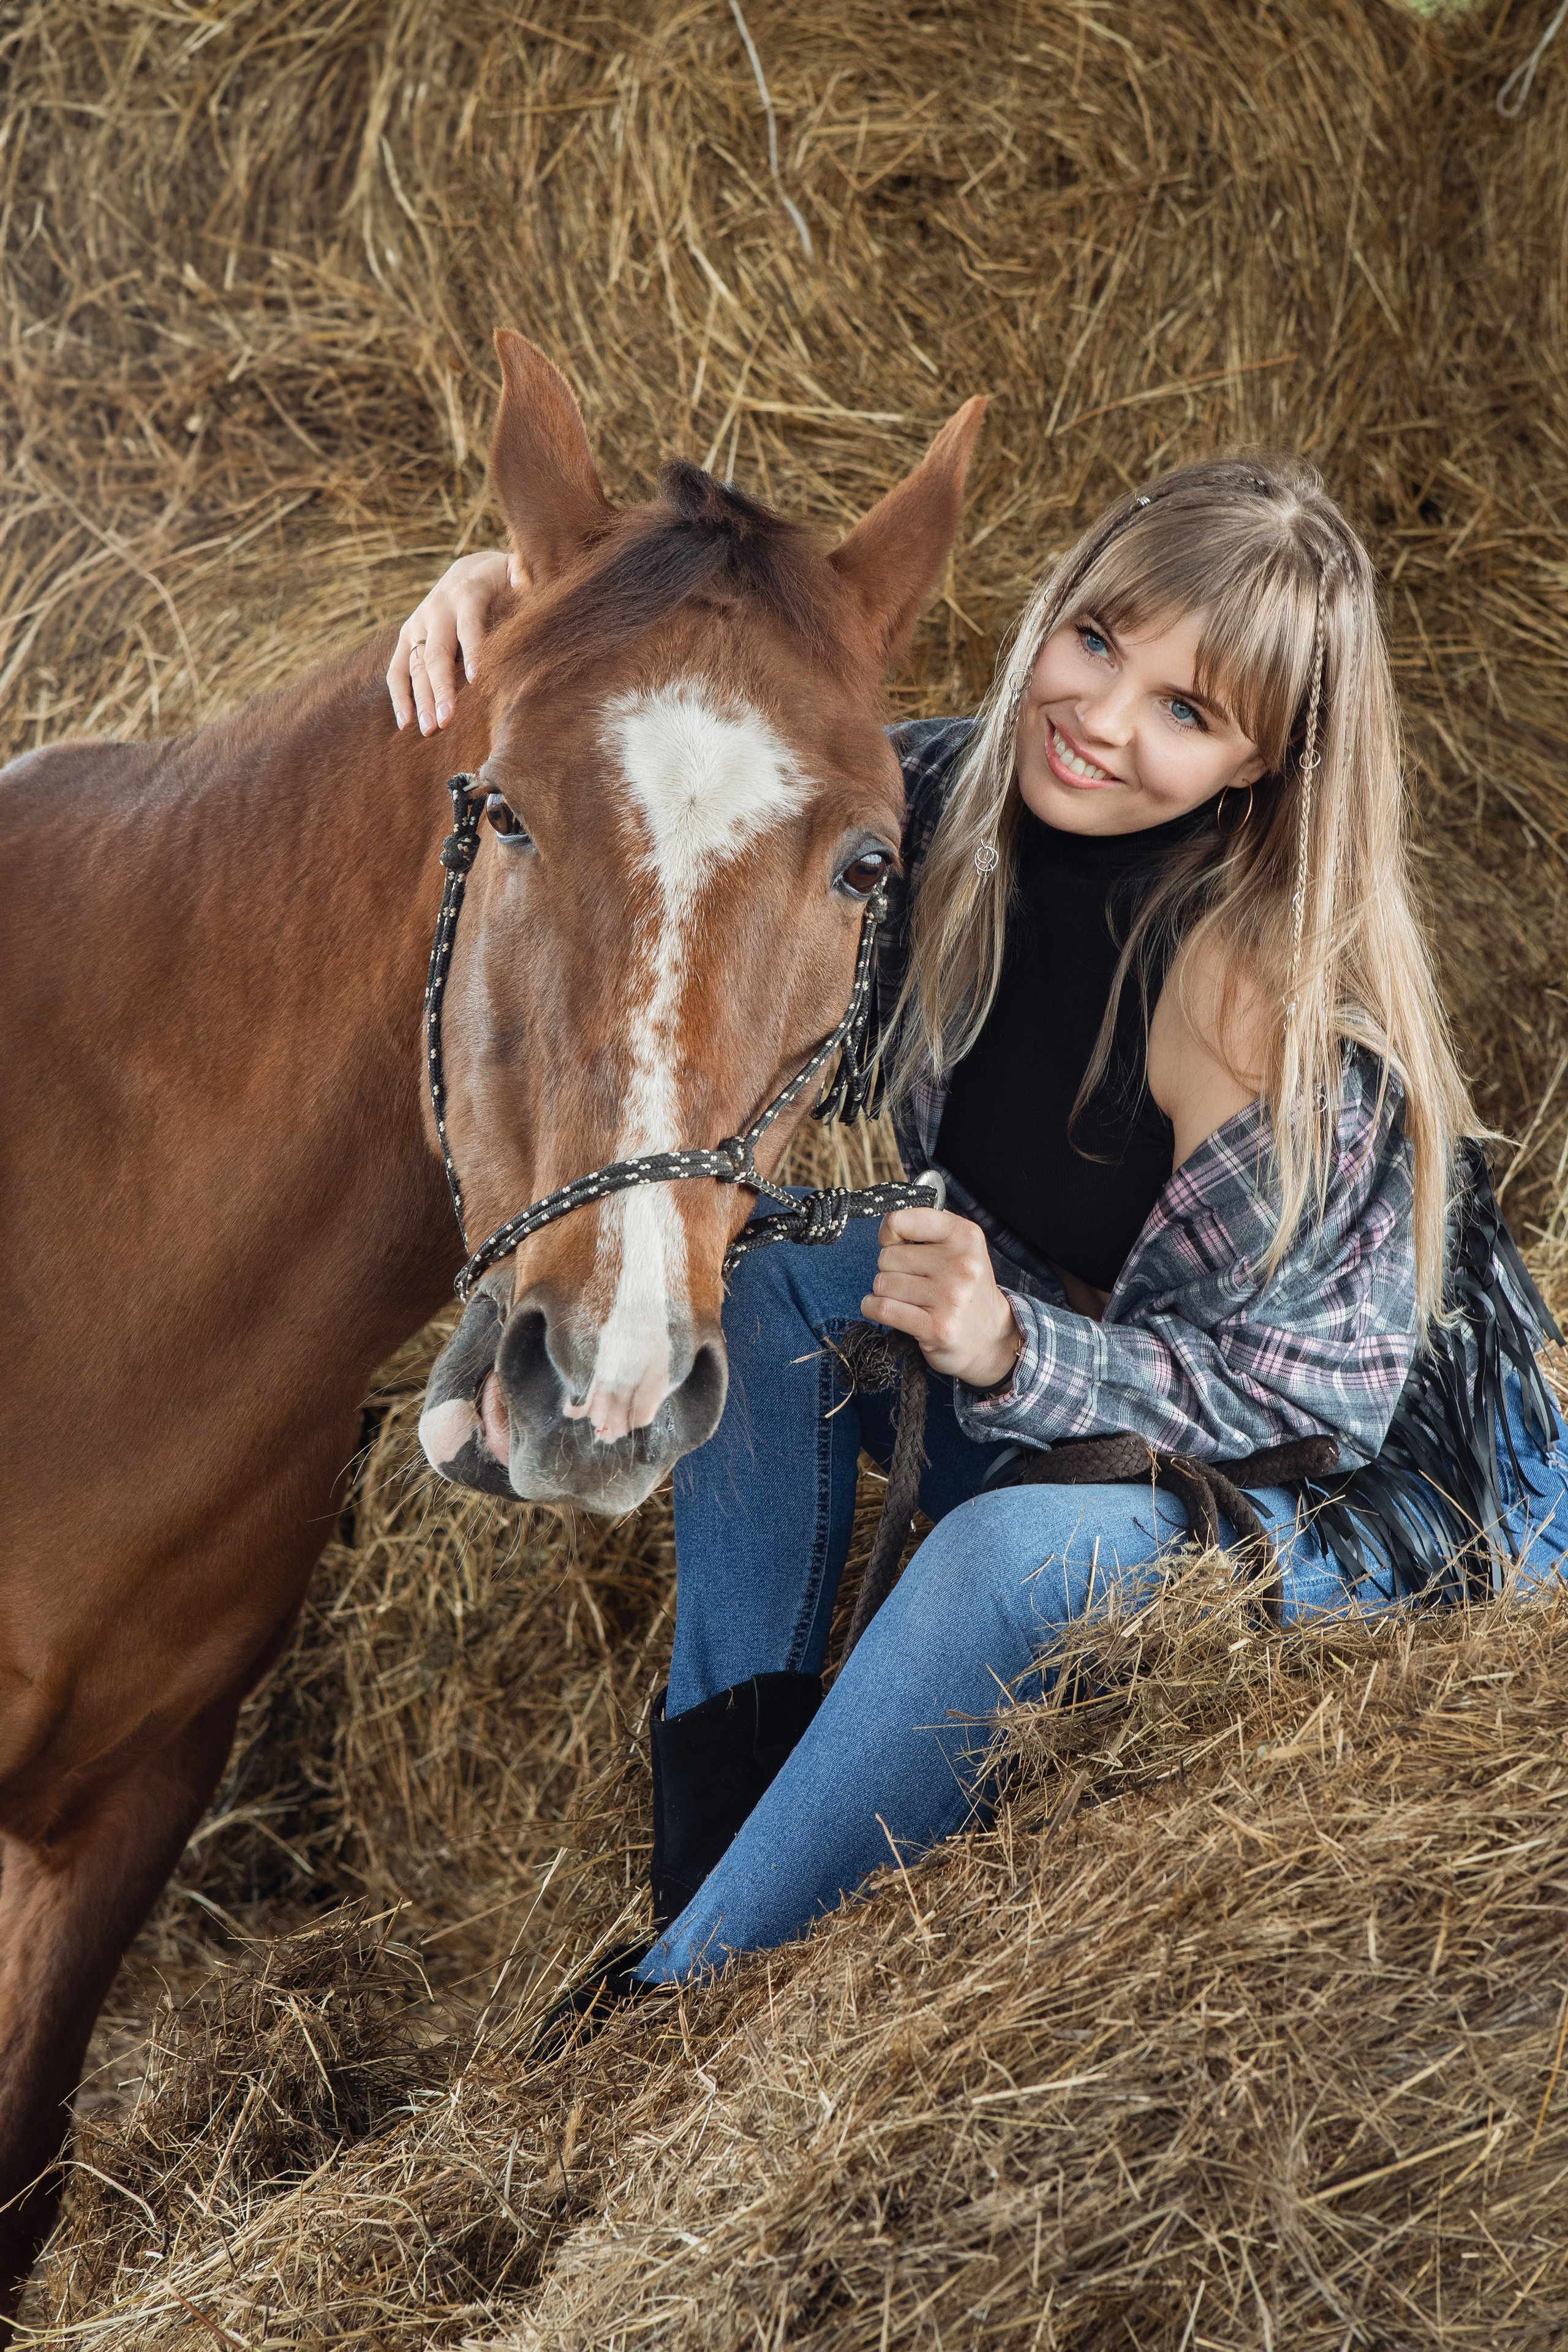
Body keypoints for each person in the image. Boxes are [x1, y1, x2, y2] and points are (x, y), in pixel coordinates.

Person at [389, 456, 1568, 2001]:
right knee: (762, 1300)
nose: (1099, 717)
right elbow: (718, 744)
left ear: (1264, 769)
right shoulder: (946, 812)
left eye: (1185, 711)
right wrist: (534, 610)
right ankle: (724, 1844)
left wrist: (1023, 1350)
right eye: (1096, 642)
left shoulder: (1262, 1001)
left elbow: (1315, 1408)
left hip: (1360, 1503)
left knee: (1005, 1565)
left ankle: (672, 2000)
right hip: (1077, 1356)